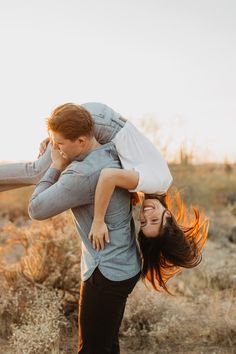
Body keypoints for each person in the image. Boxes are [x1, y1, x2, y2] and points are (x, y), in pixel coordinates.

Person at [0, 102, 208, 294]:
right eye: (155, 219)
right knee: (37, 172)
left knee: (39, 171)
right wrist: (98, 221)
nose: (146, 214)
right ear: (169, 215)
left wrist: (57, 138)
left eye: (143, 223)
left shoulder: (155, 188)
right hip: (102, 124)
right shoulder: (156, 182)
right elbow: (109, 176)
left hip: (102, 117)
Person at [27, 103, 141, 354]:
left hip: (106, 273)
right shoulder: (111, 148)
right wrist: (56, 145)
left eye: (59, 143)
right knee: (107, 344)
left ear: (80, 140)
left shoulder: (80, 175)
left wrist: (55, 166)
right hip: (125, 263)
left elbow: (36, 209)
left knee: (92, 349)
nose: (55, 148)